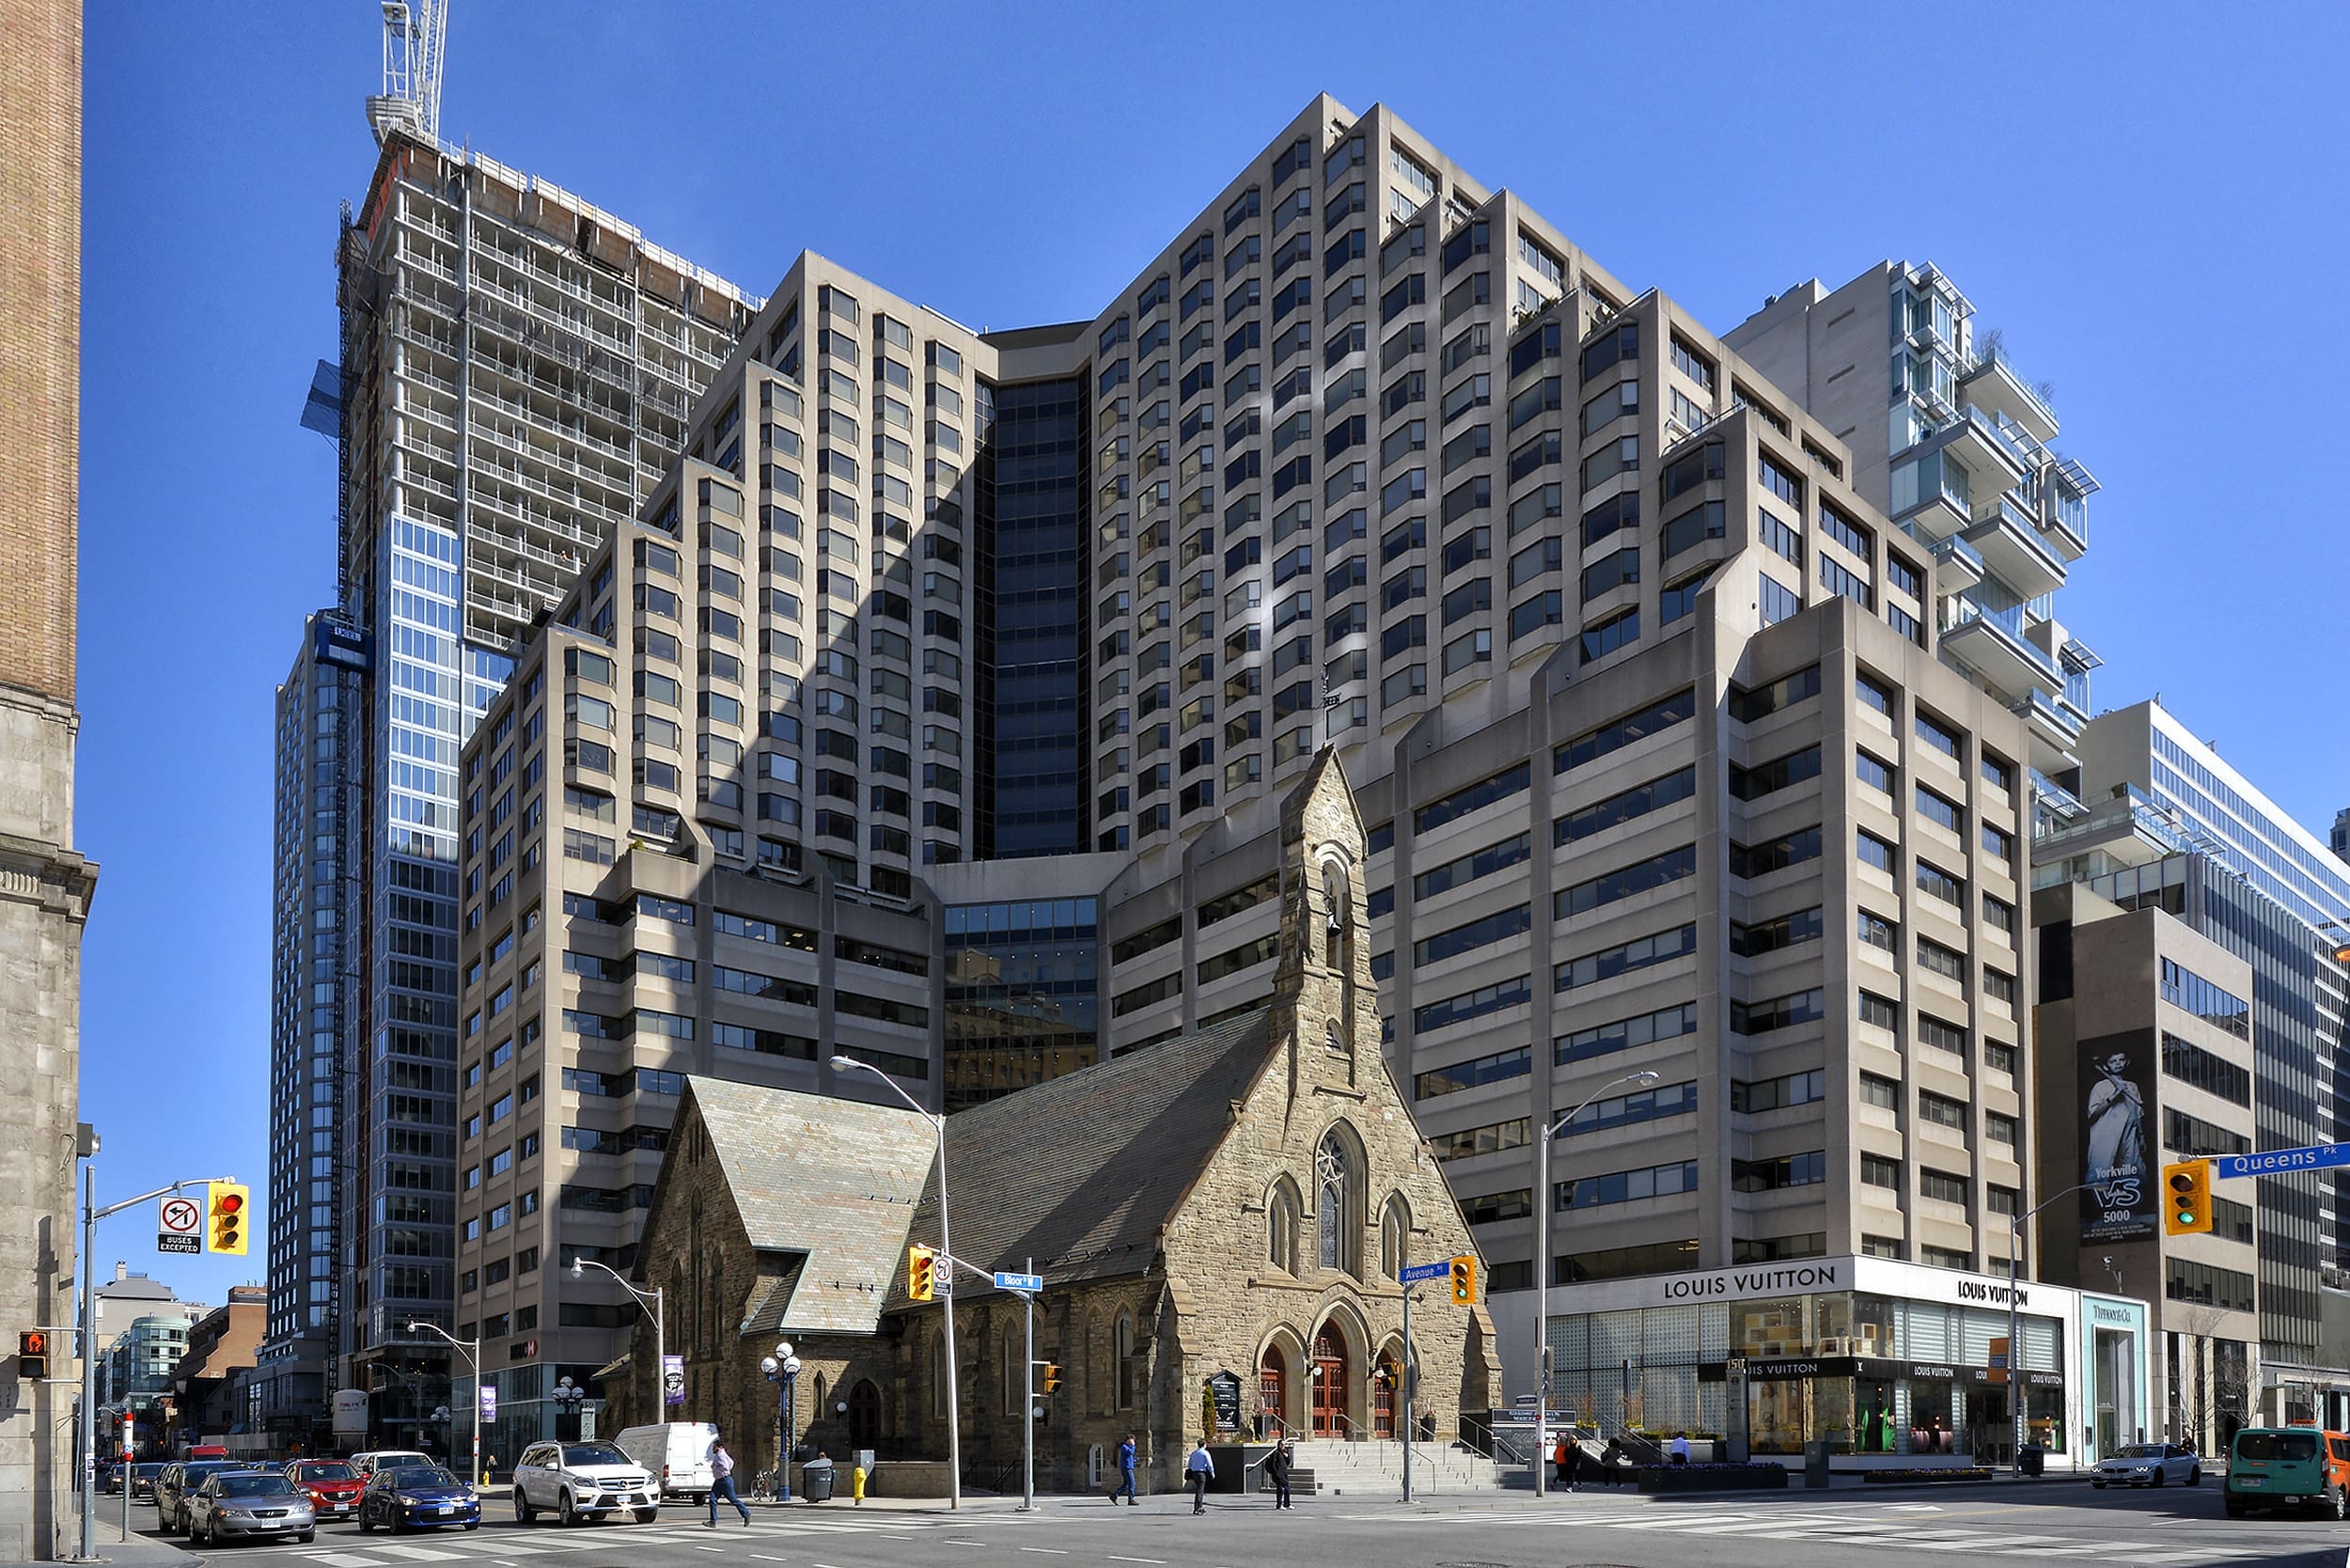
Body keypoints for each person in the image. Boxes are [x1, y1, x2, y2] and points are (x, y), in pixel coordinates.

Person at [706, 1433, 750, 1528]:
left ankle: (746, 1513)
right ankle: (713, 1521)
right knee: (712, 1499)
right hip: (719, 1481)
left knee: (733, 1499)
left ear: (719, 1447)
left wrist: (715, 1468)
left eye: (714, 1447)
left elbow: (725, 1467)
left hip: (724, 1481)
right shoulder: (722, 1454)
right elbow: (731, 1463)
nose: (713, 1448)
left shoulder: (720, 1455)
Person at [1185, 1438, 1214, 1513]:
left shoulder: (1194, 1453)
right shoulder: (1205, 1453)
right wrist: (1212, 1473)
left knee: (1198, 1490)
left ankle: (1197, 1507)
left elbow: (1190, 1464)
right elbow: (1209, 1464)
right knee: (1200, 1491)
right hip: (1201, 1473)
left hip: (1194, 1473)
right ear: (1204, 1445)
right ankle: (1198, 1508)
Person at [1111, 1434, 1138, 1505]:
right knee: (1132, 1483)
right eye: (1131, 1440)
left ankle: (1114, 1496)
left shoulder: (1127, 1447)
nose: (1132, 1442)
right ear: (1128, 1440)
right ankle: (1131, 1500)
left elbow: (1129, 1456)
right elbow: (1130, 1452)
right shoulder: (1124, 1447)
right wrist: (1133, 1445)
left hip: (1128, 1467)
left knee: (1126, 1484)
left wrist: (1134, 1460)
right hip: (1127, 1468)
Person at [1264, 1439, 1292, 1510]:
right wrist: (1276, 1472)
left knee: (1288, 1489)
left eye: (1284, 1444)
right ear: (1279, 1445)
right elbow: (1273, 1464)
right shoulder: (1276, 1453)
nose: (1283, 1446)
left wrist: (1287, 1457)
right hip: (1278, 1474)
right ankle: (1279, 1505)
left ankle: (1287, 1504)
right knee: (1280, 1490)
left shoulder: (1285, 1453)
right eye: (1281, 1444)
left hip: (1284, 1474)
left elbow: (1288, 1463)